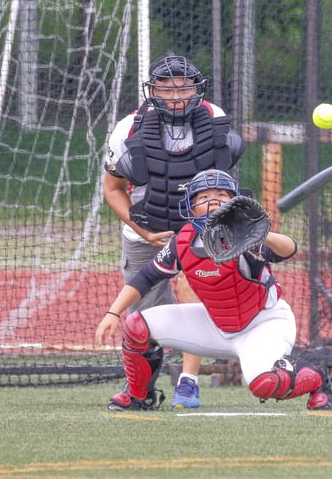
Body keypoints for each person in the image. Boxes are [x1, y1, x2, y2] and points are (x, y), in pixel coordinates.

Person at [94, 169, 332, 412]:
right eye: (204, 196)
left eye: (221, 195)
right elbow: (145, 278)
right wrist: (113, 313)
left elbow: (289, 250)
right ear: (192, 206)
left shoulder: (245, 234)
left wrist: (264, 234)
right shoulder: (183, 241)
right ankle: (139, 396)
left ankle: (317, 377)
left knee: (264, 383)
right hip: (215, 323)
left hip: (263, 323)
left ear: (234, 202)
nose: (214, 201)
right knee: (136, 325)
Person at [103, 52, 245, 410]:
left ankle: (188, 381)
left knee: (200, 301)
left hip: (201, 232)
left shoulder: (213, 119)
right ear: (153, 91)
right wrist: (144, 231)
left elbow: (223, 182)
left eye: (183, 87)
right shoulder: (130, 127)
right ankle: (142, 389)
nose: (176, 96)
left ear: (197, 89)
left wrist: (211, 227)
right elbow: (112, 188)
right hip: (146, 233)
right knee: (143, 317)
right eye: (166, 89)